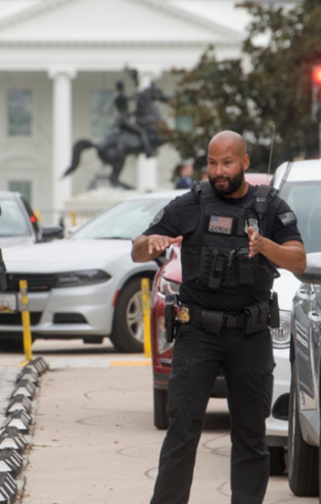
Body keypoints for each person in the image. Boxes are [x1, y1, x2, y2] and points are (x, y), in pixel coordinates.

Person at [131, 131, 306, 504]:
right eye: (212, 163)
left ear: (244, 163)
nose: (218, 171)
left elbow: (298, 259)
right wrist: (151, 244)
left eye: (226, 163)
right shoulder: (192, 203)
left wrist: (265, 246)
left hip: (250, 332)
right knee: (182, 430)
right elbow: (138, 250)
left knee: (250, 436)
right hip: (198, 332)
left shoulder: (269, 206)